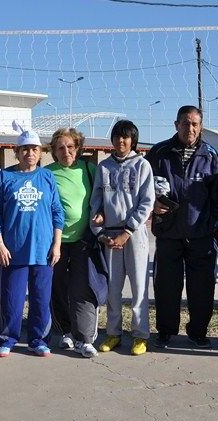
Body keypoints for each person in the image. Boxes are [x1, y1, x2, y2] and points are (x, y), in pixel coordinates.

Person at [146, 105, 218, 349]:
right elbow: (141, 186)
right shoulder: (159, 152)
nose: (189, 128)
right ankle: (165, 331)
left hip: (201, 235)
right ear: (176, 125)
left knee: (202, 287)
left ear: (201, 127)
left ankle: (198, 332)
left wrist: (214, 226)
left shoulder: (209, 155)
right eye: (185, 123)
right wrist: (152, 205)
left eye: (194, 124)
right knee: (166, 287)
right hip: (168, 233)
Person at [0, 123, 64, 357]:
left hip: (43, 251)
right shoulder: (5, 177)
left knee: (41, 299)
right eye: (25, 149)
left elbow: (57, 212)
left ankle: (38, 339)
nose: (30, 153)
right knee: (12, 299)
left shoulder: (47, 177)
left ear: (40, 152)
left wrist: (57, 245)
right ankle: (7, 338)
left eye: (34, 149)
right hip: (13, 251)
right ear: (17, 152)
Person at [90, 120, 155, 356]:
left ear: (132, 140)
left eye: (126, 137)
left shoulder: (142, 165)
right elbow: (96, 200)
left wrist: (127, 231)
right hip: (110, 235)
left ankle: (140, 335)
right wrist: (99, 225)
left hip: (133, 234)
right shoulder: (104, 167)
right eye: (117, 136)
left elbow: (147, 202)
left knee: (139, 287)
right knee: (113, 288)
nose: (121, 141)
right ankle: (113, 333)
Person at [46, 127, 100, 358]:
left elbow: (103, 196)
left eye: (70, 147)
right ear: (53, 151)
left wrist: (102, 214)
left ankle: (84, 338)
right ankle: (65, 331)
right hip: (54, 242)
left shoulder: (89, 169)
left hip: (83, 240)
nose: (66, 151)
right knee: (57, 286)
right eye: (60, 148)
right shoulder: (47, 173)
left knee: (82, 288)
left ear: (78, 148)